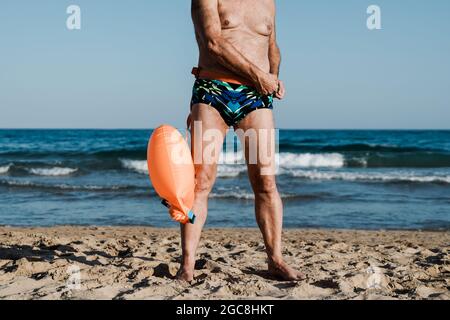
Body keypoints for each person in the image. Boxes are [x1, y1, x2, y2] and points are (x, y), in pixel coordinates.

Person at [178, 0, 305, 282]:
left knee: (266, 182)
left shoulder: (267, 2)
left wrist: (274, 76)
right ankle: (187, 265)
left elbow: (271, 44)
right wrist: (260, 75)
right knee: (199, 182)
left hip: (255, 98)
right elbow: (213, 43)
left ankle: (276, 261)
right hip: (213, 89)